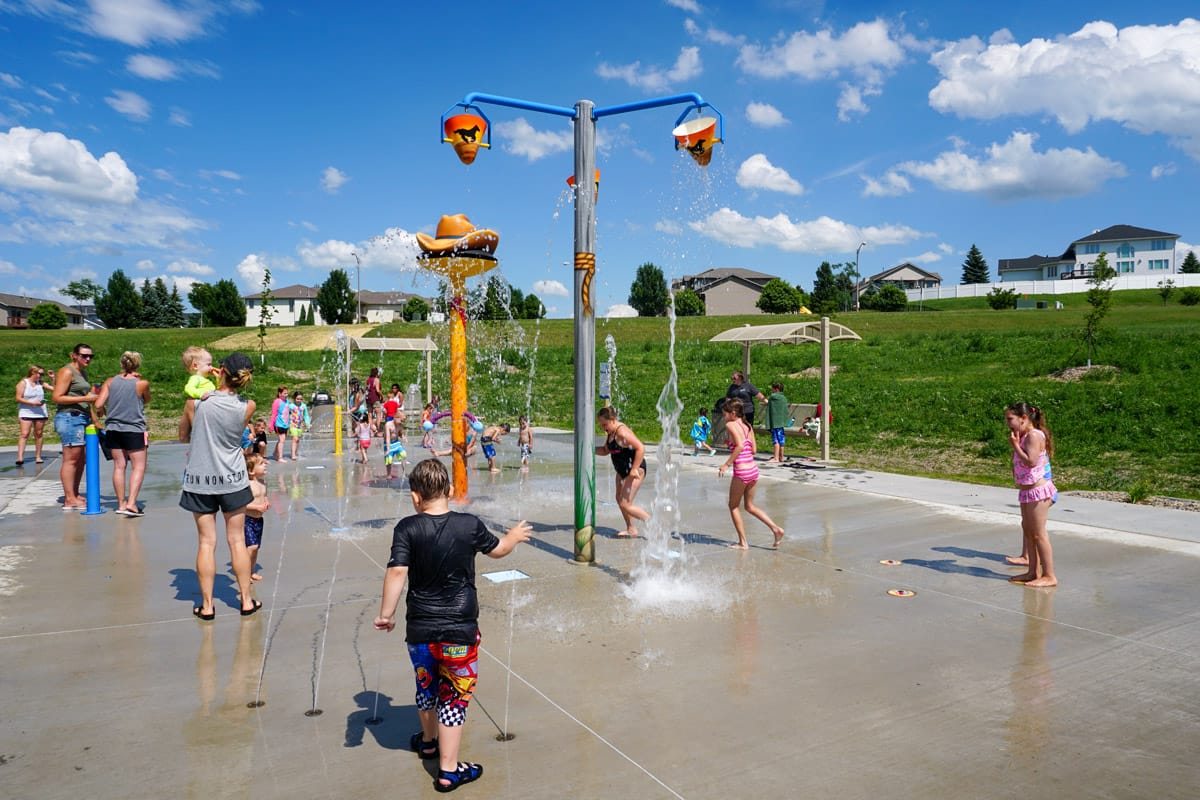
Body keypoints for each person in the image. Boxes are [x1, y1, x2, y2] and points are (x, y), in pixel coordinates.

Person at [373, 458, 532, 794]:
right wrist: (514, 537)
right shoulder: (469, 524)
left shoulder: (407, 528)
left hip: (420, 631)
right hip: (460, 630)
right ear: (448, 490)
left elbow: (397, 572)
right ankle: (448, 769)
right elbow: (498, 550)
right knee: (454, 697)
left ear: (415, 496)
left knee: (426, 686)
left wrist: (386, 615)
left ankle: (429, 743)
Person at [179, 352, 261, 620]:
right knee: (236, 541)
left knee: (206, 542)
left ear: (221, 370)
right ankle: (246, 601)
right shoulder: (247, 405)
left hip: (200, 479)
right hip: (233, 478)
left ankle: (207, 606)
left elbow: (183, 436)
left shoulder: (196, 403)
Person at [718, 398, 785, 550]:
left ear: (733, 413)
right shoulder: (748, 426)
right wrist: (731, 444)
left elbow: (740, 446)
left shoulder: (730, 425)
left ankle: (743, 543)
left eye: (725, 414)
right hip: (753, 470)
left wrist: (726, 464)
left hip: (741, 471)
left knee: (733, 506)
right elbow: (752, 450)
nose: (724, 417)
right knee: (749, 506)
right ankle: (776, 529)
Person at [1005, 402, 1058, 588]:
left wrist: (1015, 446)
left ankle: (1049, 575)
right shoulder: (1024, 436)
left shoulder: (1034, 436)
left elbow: (1030, 461)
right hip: (1026, 491)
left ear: (1024, 418)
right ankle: (1032, 572)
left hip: (1038, 492)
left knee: (1038, 534)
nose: (1008, 423)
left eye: (1010, 419)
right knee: (1028, 530)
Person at [94, 351, 152, 516]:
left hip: (113, 428)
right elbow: (146, 399)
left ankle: (121, 503)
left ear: (122, 364)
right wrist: (139, 380)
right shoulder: (141, 383)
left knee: (119, 466)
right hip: (133, 428)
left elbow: (98, 403)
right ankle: (132, 502)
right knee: (138, 466)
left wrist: (102, 411)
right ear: (137, 365)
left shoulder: (110, 382)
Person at [51, 343, 100, 510]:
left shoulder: (82, 373)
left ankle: (75, 493)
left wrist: (95, 418)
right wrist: (86, 399)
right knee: (71, 459)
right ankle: (69, 498)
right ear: (74, 355)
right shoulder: (66, 371)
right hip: (69, 418)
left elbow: (86, 398)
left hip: (82, 417)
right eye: (84, 355)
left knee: (82, 459)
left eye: (90, 356)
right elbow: (57, 397)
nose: (88, 359)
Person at [595, 407, 650, 538]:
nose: (603, 428)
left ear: (613, 420)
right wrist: (589, 447)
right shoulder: (611, 433)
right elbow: (605, 450)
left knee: (626, 504)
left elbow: (640, 448)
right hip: (621, 471)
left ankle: (654, 524)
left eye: (604, 424)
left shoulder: (622, 433)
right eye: (601, 425)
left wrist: (634, 469)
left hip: (635, 471)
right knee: (619, 500)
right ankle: (631, 528)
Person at [15, 365, 52, 466]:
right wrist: (32, 403)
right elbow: (18, 398)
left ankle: (38, 456)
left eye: (42, 374)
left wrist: (53, 378)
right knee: (24, 434)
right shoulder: (23, 383)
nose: (41, 376)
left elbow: (55, 389)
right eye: (40, 373)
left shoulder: (41, 383)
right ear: (33, 373)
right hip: (26, 411)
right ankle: (20, 457)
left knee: (39, 433)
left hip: (40, 412)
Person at [243, 452, 270, 583]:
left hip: (259, 520)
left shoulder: (263, 482)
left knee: (256, 547)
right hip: (247, 520)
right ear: (251, 471)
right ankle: (245, 573)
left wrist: (266, 501)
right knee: (251, 547)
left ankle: (251, 571)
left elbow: (264, 495)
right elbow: (243, 504)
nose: (265, 465)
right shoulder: (247, 485)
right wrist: (256, 508)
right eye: (261, 464)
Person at [765, 382, 790, 463]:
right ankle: (781, 457)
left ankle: (775, 458)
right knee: (781, 440)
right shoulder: (784, 398)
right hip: (781, 423)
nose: (771, 391)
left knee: (775, 440)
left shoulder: (773, 397)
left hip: (775, 423)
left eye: (772, 389)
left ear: (776, 389)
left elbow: (770, 406)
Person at [269, 386, 290, 462]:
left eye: (287, 393)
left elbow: (288, 412)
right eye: (284, 393)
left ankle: (275, 453)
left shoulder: (287, 401)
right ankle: (280, 457)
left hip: (285, 424)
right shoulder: (277, 401)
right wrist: (271, 425)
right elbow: (274, 414)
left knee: (281, 440)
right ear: (279, 393)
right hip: (278, 424)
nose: (286, 395)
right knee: (282, 440)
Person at [288, 391, 310, 460]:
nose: (299, 400)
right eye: (297, 399)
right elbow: (287, 414)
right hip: (292, 424)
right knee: (295, 438)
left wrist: (307, 423)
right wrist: (287, 423)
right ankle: (293, 454)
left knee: (297, 440)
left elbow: (306, 415)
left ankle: (295, 452)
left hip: (299, 425)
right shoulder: (291, 406)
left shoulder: (303, 406)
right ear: (294, 398)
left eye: (301, 399)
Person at [365, 367, 382, 432]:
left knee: (370, 414)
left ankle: (371, 429)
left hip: (368, 398)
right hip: (375, 398)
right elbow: (377, 390)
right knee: (378, 413)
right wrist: (382, 396)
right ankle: (378, 429)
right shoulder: (376, 380)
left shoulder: (368, 380)